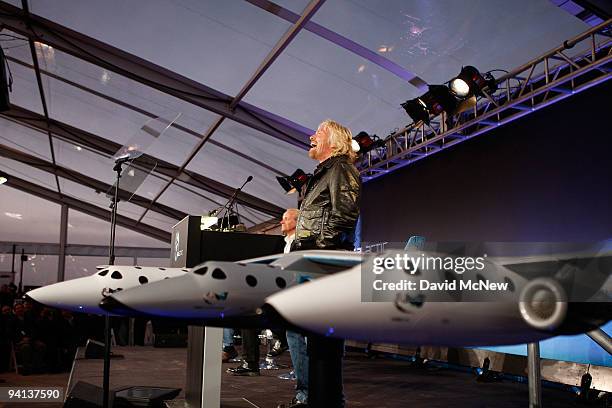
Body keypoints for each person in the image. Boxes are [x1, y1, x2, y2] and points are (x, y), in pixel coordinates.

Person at [283, 119, 361, 408]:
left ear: (335, 140)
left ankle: (328, 402)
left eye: (319, 132)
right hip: (314, 259)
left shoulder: (341, 168)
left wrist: (320, 251)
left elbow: (344, 216)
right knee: (316, 342)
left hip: (324, 260)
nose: (311, 136)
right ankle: (319, 400)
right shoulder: (323, 173)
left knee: (324, 343)